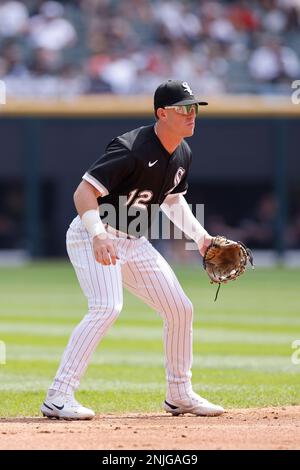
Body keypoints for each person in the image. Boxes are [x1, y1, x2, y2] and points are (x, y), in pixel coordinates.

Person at [41, 79, 224, 420]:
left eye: (194, 108)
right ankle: (58, 396)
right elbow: (83, 193)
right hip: (93, 234)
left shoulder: (182, 151)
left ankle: (179, 394)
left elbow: (172, 200)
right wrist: (98, 235)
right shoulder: (132, 148)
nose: (191, 114)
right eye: (183, 108)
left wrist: (201, 238)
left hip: (135, 241)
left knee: (180, 309)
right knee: (107, 307)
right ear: (161, 113)